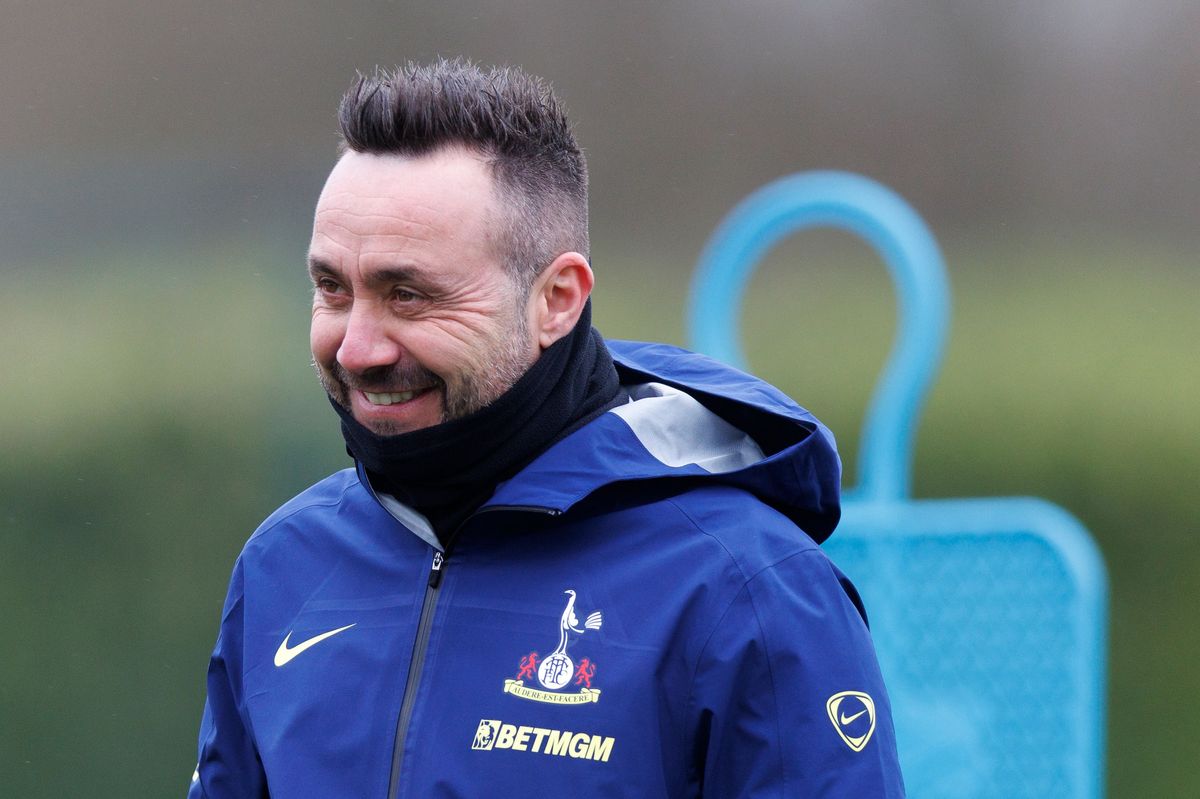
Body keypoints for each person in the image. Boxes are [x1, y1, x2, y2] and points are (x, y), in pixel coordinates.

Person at [189, 59, 905, 798]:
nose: (356, 349)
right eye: (333, 289)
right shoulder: (284, 565)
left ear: (557, 299)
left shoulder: (746, 587)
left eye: (408, 295)